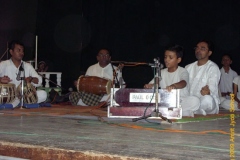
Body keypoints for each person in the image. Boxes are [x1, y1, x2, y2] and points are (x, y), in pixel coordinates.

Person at [144, 44, 200, 117]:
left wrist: (173, 86)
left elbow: (183, 83)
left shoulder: (183, 71)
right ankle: (179, 112)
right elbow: (156, 82)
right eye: (165, 57)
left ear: (178, 60)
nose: (166, 60)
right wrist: (149, 86)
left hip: (180, 101)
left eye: (170, 57)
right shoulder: (161, 72)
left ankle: (170, 112)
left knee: (195, 101)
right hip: (166, 101)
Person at [0, 40, 47, 108]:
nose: (21, 53)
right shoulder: (3, 64)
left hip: (24, 96)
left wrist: (31, 79)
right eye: (18, 50)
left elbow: (39, 80)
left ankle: (15, 103)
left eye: (22, 51)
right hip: (7, 95)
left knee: (43, 94)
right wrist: (1, 79)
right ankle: (18, 103)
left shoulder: (27, 66)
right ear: (11, 52)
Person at [185, 40, 221, 115]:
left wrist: (208, 91)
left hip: (205, 102)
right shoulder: (188, 67)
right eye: (197, 48)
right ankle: (193, 111)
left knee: (207, 99)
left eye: (202, 48)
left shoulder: (213, 68)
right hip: (192, 101)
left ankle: (193, 111)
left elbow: (212, 89)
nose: (198, 50)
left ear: (209, 53)